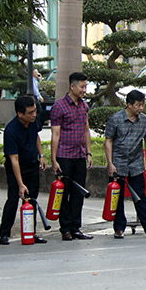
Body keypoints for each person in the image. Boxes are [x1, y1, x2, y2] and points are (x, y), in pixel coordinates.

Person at [104, 90, 146, 239]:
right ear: (129, 105)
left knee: (140, 196)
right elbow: (108, 141)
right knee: (118, 197)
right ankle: (119, 228)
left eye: (142, 105)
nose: (141, 108)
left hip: (136, 163)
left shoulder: (143, 120)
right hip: (118, 162)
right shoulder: (115, 119)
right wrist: (110, 163)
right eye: (138, 105)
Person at [50, 71, 93, 241]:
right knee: (64, 192)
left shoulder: (84, 106)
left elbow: (86, 130)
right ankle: (65, 228)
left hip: (79, 155)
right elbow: (55, 135)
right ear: (72, 86)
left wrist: (88, 153)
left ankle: (76, 227)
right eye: (82, 86)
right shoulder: (59, 107)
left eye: (85, 86)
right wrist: (54, 159)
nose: (84, 90)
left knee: (78, 193)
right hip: (64, 156)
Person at [0, 96, 48, 245]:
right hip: (16, 168)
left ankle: (30, 233)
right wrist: (20, 184)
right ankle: (4, 234)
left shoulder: (33, 121)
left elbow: (36, 137)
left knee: (31, 200)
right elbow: (14, 160)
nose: (34, 114)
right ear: (20, 114)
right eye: (30, 112)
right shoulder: (11, 131)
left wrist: (42, 155)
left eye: (35, 111)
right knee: (14, 199)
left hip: (32, 165)